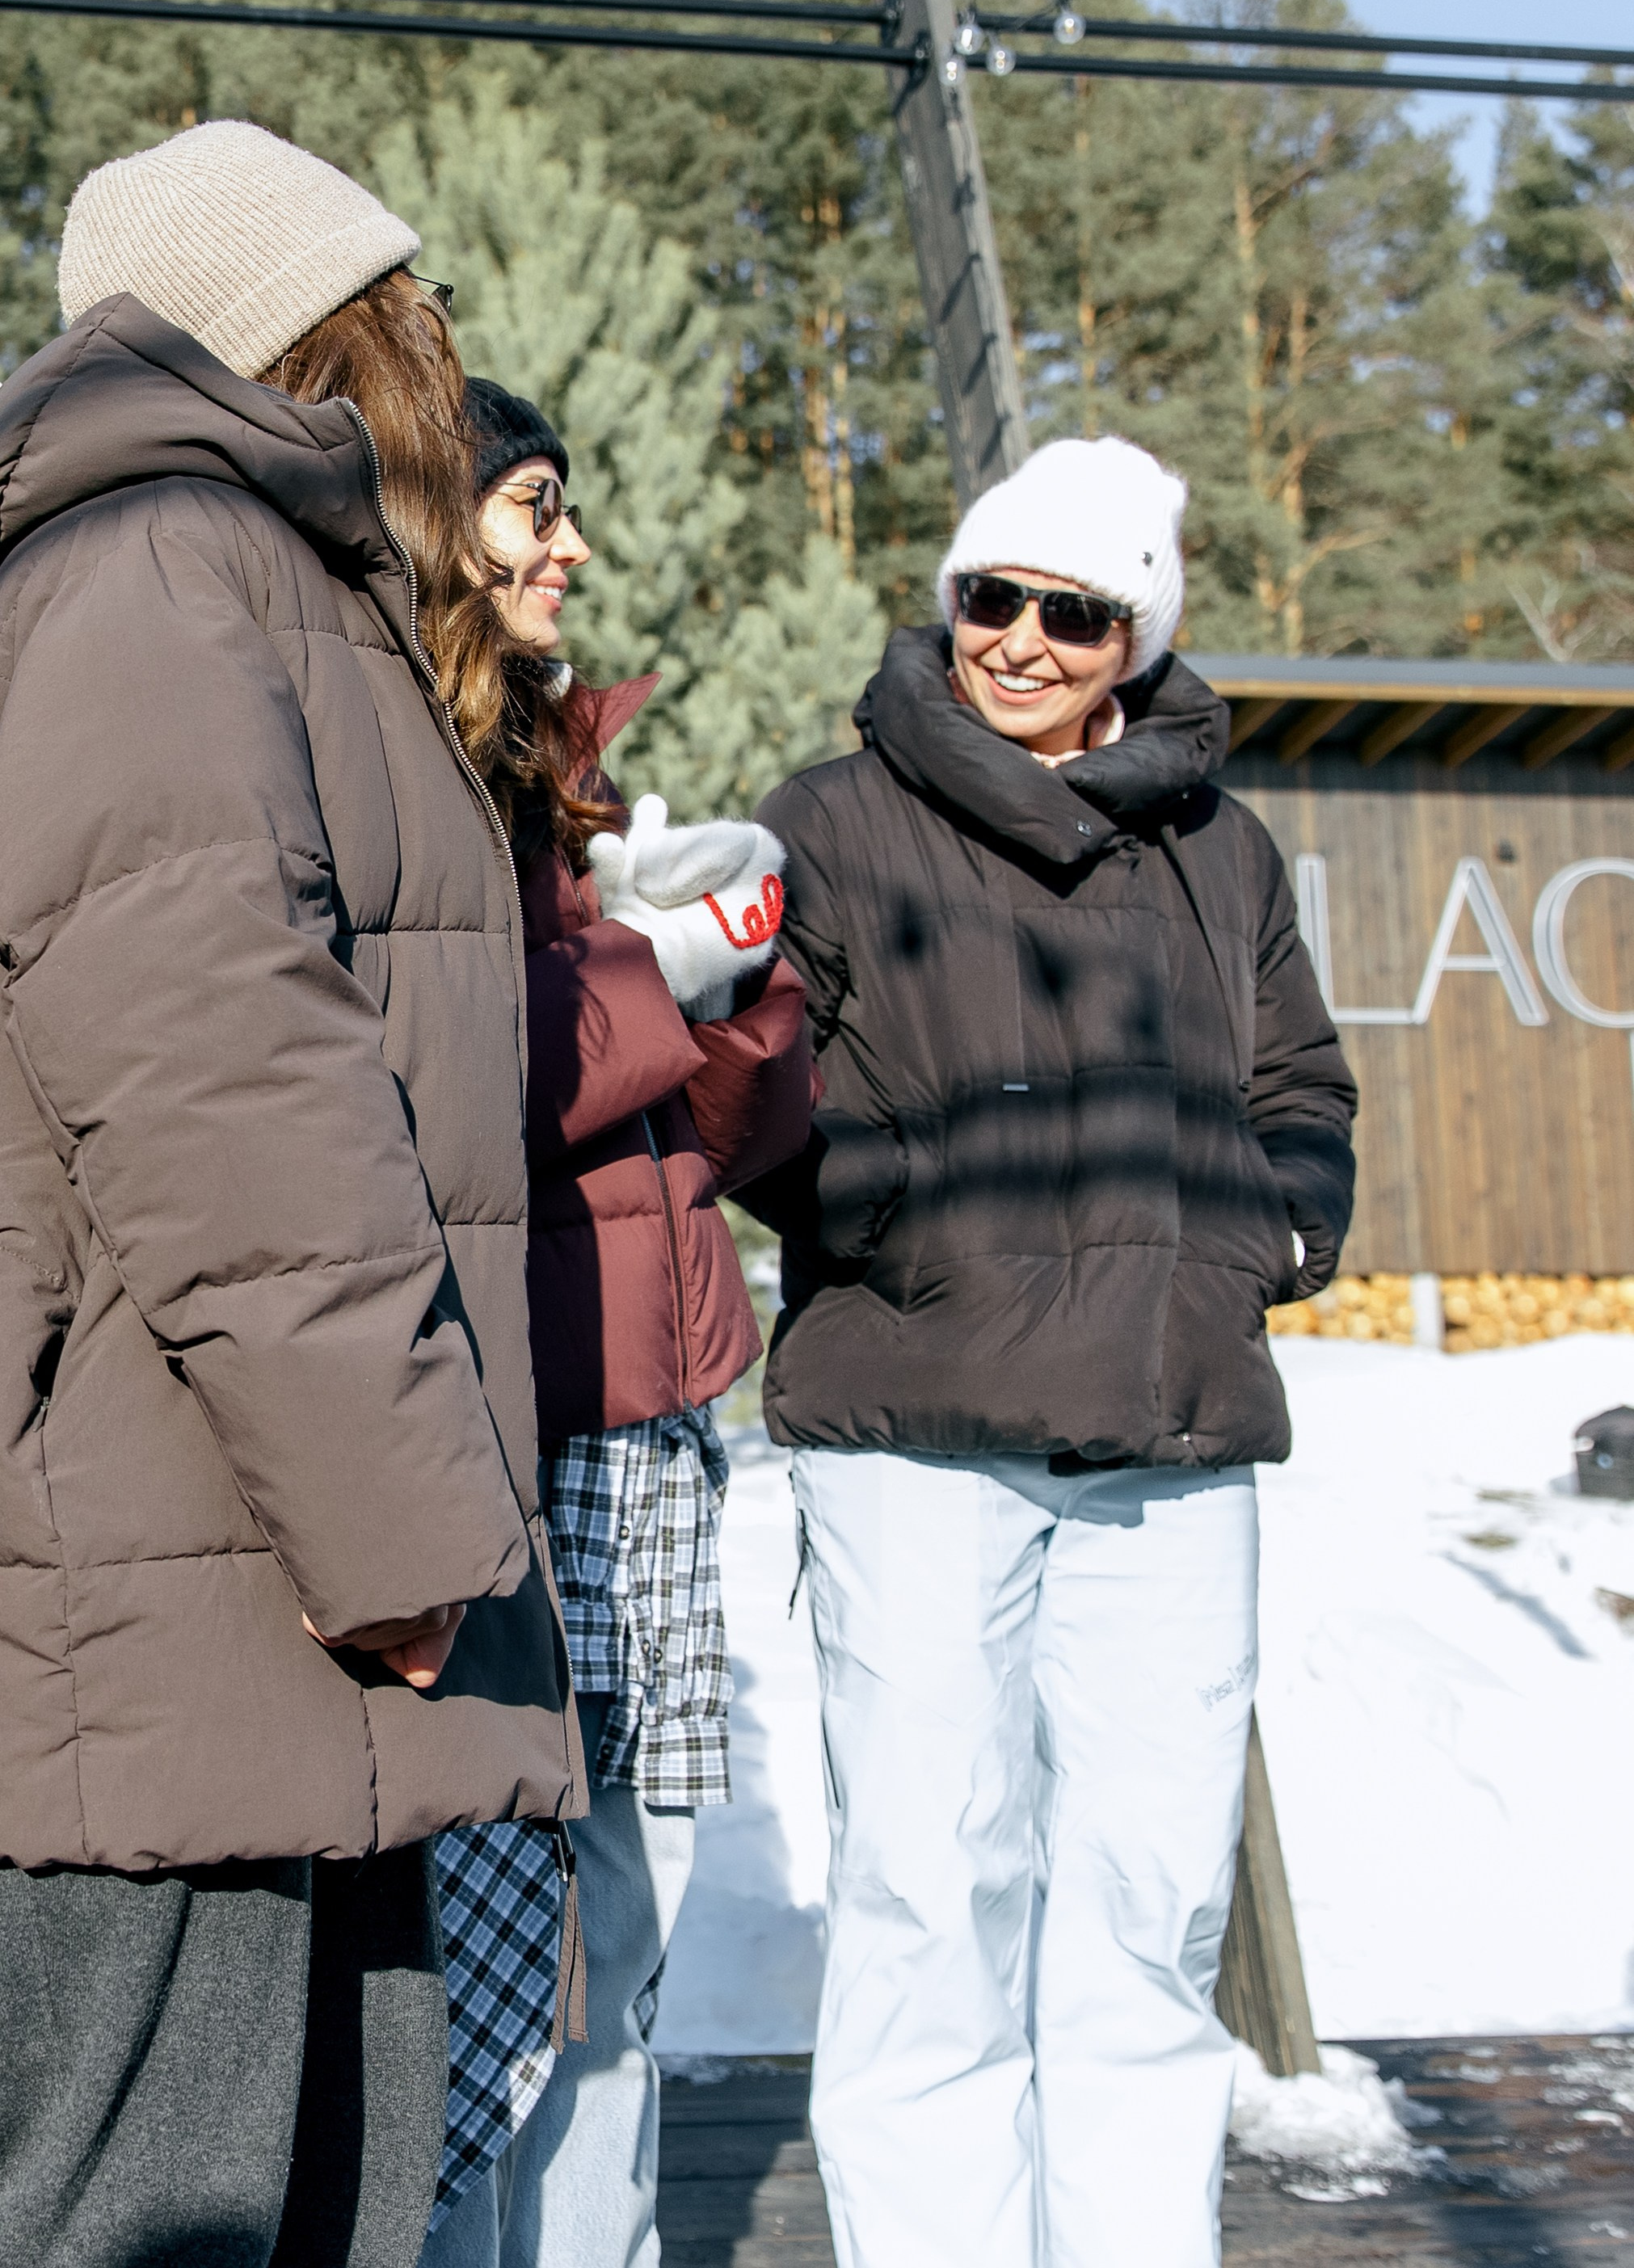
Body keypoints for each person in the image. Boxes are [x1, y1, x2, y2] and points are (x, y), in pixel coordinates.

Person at [0, 124, 585, 2268]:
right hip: (202, 1586)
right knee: (148, 2220)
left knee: (339, 2204)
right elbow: (221, 1085)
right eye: (407, 305)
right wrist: (402, 1532)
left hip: (289, 1578)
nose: (443, 351)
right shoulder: (154, 570)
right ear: (310, 327)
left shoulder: (261, 579)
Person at [747, 436, 1358, 2268]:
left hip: (1171, 1446)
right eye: (988, 595)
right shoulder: (834, 817)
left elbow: (1301, 1086)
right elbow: (765, 1100)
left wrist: (1264, 1240)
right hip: (912, 1430)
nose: (1015, 636)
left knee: (1149, 1913)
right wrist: (919, 1212)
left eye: (1069, 610)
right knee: (931, 1896)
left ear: (1137, 639)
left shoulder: (1222, 848)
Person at [419, 380, 813, 2268]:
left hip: (646, 1419)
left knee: (618, 1918)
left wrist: (737, 978)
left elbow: (720, 1135)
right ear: (437, 520)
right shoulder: (410, 760)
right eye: (530, 505)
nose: (569, 541)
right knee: (493, 1941)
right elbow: (465, 1069)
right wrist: (644, 972)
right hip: (514, 1418)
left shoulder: (560, 768)